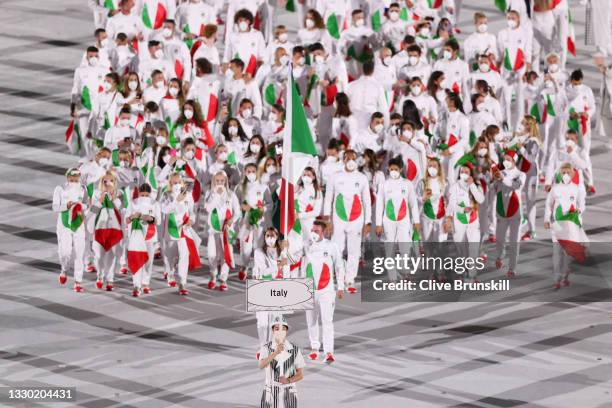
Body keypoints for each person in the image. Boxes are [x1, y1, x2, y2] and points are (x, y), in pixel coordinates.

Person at [323, 150, 371, 294]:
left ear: (357, 160)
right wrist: (327, 219)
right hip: (339, 217)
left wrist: (367, 222)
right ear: (343, 160)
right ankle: (336, 276)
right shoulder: (334, 177)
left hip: (356, 218)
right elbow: (328, 198)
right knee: (337, 248)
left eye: (353, 158)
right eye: (348, 158)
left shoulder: (362, 178)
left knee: (354, 250)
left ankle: (350, 278)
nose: (350, 161)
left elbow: (367, 201)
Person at [303, 221, 345, 362]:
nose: (314, 233)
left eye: (317, 231)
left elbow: (339, 266)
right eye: (312, 230)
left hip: (327, 291)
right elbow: (293, 257)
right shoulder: (306, 246)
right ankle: (314, 348)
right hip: (309, 290)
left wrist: (340, 286)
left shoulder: (332, 246)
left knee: (327, 321)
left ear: (324, 232)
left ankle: (329, 352)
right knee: (311, 321)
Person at [375, 157, 420, 282]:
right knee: (390, 248)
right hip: (388, 220)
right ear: (388, 169)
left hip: (403, 220)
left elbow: (413, 204)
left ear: (401, 169)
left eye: (396, 169)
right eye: (391, 169)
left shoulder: (407, 184)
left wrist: (416, 221)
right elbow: (379, 205)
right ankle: (393, 277)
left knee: (405, 247)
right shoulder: (384, 184)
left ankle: (404, 272)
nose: (393, 171)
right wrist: (378, 224)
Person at [544, 163, 588, 289]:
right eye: (563, 173)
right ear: (560, 174)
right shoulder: (555, 188)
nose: (566, 175)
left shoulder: (577, 188)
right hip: (557, 224)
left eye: (568, 173)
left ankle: (565, 274)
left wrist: (580, 210)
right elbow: (548, 204)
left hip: (571, 224)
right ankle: (557, 278)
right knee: (557, 251)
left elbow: (582, 204)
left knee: (567, 252)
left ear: (572, 174)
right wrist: (547, 219)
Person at [53, 168, 89, 292]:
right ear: (67, 177)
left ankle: (78, 281)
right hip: (64, 224)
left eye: (76, 179)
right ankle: (64, 269)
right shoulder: (60, 189)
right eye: (71, 179)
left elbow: (86, 205)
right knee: (65, 253)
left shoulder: (83, 189)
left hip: (78, 224)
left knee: (80, 253)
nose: (74, 181)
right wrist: (66, 206)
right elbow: (54, 207)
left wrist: (79, 206)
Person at [257, 315, 305, 408]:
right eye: (277, 328)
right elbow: (261, 365)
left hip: (289, 391)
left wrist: (288, 380)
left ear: (286, 331)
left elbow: (300, 375)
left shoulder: (294, 349)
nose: (280, 331)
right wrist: (275, 353)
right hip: (270, 391)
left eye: (283, 328)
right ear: (273, 330)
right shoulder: (266, 348)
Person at [204, 171, 241, 290]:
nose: (220, 183)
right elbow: (208, 208)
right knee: (212, 254)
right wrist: (216, 196)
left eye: (222, 181)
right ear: (214, 181)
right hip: (213, 229)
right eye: (217, 181)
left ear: (225, 181)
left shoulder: (231, 194)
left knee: (226, 254)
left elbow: (238, 212)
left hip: (226, 229)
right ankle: (213, 275)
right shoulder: (209, 194)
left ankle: (223, 279)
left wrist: (232, 220)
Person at [493, 150, 526, 278]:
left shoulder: (521, 174)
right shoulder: (500, 173)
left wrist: (503, 178)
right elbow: (494, 188)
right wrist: (493, 180)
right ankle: (500, 257)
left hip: (515, 212)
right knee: (500, 239)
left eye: (508, 159)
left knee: (514, 242)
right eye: (504, 159)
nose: (505, 161)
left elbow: (516, 186)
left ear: (514, 161)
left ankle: (512, 268)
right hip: (502, 210)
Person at [125, 183, 160, 296]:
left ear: (150, 194)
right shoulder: (133, 203)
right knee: (137, 259)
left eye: (146, 194)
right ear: (139, 193)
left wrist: (150, 218)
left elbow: (158, 221)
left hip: (149, 235)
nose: (144, 196)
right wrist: (133, 217)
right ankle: (136, 285)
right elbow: (126, 220)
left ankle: (145, 283)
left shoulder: (155, 203)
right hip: (136, 235)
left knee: (148, 260)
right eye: (142, 194)